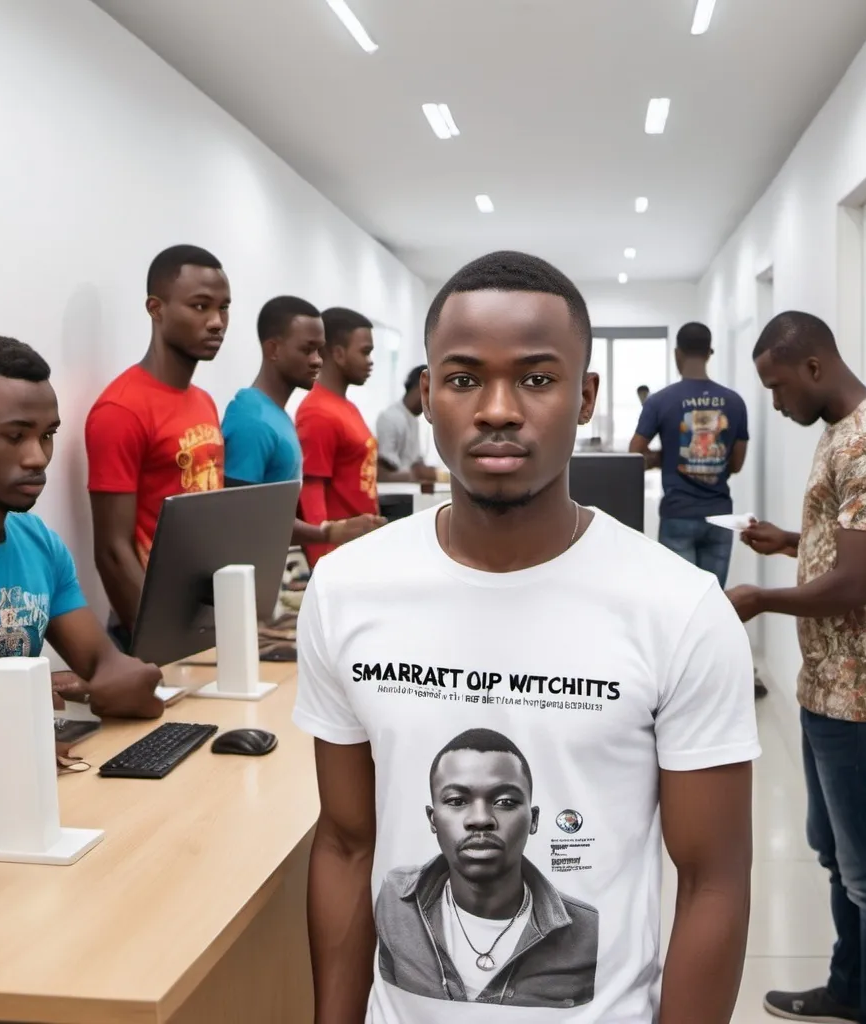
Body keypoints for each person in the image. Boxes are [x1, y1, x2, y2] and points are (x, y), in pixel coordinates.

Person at [293, 251, 760, 1023]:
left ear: (585, 396)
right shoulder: (347, 589)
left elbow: (715, 881)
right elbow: (345, 845)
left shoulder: (678, 608)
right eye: (465, 377)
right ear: (429, 394)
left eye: (538, 379)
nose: (499, 409)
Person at [725, 311, 866, 1024]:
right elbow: (853, 547)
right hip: (831, 689)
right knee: (836, 857)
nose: (777, 404)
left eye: (778, 387)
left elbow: (854, 584)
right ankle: (849, 989)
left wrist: (757, 599)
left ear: (814, 366)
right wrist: (790, 540)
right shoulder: (843, 435)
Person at [0, 335, 164, 756]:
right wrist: (20, 718)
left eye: (47, 435)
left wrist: (101, 684)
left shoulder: (40, 544)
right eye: (15, 436)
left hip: (23, 783)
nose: (38, 457)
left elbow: (120, 675)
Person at [375, 728, 599, 1006]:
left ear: (533, 820)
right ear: (433, 819)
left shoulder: (588, 931)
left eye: (504, 802)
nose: (480, 819)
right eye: (457, 801)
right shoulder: (393, 899)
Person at [85, 245, 229, 650]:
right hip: (152, 627)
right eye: (200, 306)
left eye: (224, 308)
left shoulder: (203, 401)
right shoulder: (121, 409)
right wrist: (159, 643)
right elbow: (112, 551)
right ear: (156, 308)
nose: (217, 322)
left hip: (205, 617)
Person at [221, 295, 383, 551]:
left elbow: (273, 519)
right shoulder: (252, 420)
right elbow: (241, 522)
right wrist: (326, 538)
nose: (318, 360)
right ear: (274, 349)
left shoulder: (276, 415)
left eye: (320, 350)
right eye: (307, 350)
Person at [629, 322, 748, 589]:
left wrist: (665, 457)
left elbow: (634, 454)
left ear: (676, 354)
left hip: (677, 513)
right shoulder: (734, 402)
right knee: (713, 599)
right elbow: (737, 464)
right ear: (710, 353)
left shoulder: (659, 401)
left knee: (678, 601)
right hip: (720, 515)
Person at [294, 307, 383, 569]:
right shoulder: (317, 412)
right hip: (338, 556)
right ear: (338, 353)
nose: (370, 361)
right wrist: (321, 564)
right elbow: (311, 492)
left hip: (361, 547)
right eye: (365, 351)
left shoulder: (347, 407)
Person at [375, 365, 449, 484]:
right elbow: (383, 472)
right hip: (392, 494)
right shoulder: (390, 417)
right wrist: (418, 474)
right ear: (420, 388)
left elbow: (414, 462)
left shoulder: (412, 419)